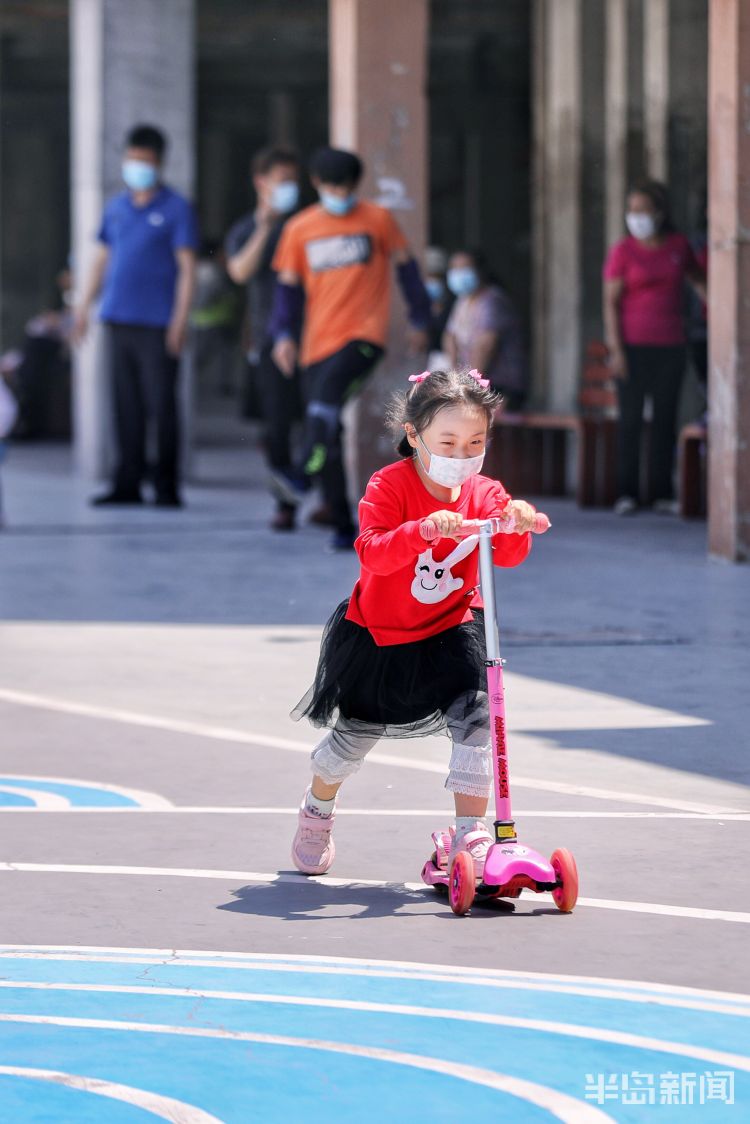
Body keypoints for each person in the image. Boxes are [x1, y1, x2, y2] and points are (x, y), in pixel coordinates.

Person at [289, 366, 537, 878]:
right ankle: (317, 811)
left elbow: (506, 555)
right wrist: (421, 529)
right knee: (352, 740)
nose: (462, 456)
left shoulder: (484, 491)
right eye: (448, 442)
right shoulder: (389, 485)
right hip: (382, 635)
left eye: (475, 442)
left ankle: (471, 835)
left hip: (453, 629)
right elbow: (372, 553)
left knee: (476, 721)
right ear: (413, 435)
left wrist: (516, 520)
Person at [268, 146, 432, 550]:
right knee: (326, 429)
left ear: (354, 186)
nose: (337, 193)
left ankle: (301, 476)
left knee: (323, 407)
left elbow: (407, 269)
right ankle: (343, 524)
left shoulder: (377, 220)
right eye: (330, 187)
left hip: (363, 338)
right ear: (317, 185)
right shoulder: (299, 228)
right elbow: (286, 291)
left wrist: (420, 318)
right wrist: (283, 336)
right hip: (315, 346)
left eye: (344, 187)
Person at [73, 124, 198, 507]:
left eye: (144, 161)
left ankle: (165, 486)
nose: (136, 167)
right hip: (117, 317)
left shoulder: (177, 208)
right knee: (124, 406)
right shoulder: (116, 207)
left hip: (159, 323)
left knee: (161, 406)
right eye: (132, 159)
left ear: (159, 163)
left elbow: (188, 269)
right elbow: (101, 259)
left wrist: (179, 320)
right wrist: (82, 307)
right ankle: (126, 482)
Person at [603, 179, 706, 516]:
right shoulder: (623, 251)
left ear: (659, 213)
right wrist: (616, 350)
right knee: (631, 418)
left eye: (643, 210)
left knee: (665, 418)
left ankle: (661, 492)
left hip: (671, 344)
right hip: (632, 345)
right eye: (631, 210)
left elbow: (699, 281)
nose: (636, 217)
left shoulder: (678, 246)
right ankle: (627, 492)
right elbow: (610, 302)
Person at [225, 146, 303, 531]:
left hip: (312, 338)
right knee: (277, 426)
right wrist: (265, 226)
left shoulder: (307, 223)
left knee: (318, 423)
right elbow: (239, 271)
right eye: (282, 181)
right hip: (268, 341)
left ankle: (319, 489)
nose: (290, 188)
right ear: (261, 183)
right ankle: (285, 501)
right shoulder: (246, 229)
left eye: (294, 181)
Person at [442, 248, 528, 412]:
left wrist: (467, 389)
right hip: (473, 386)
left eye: (464, 268)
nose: (458, 274)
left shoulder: (492, 301)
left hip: (499, 389)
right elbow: (450, 336)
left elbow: (485, 346)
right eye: (454, 268)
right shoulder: (463, 302)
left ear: (480, 272)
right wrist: (454, 381)